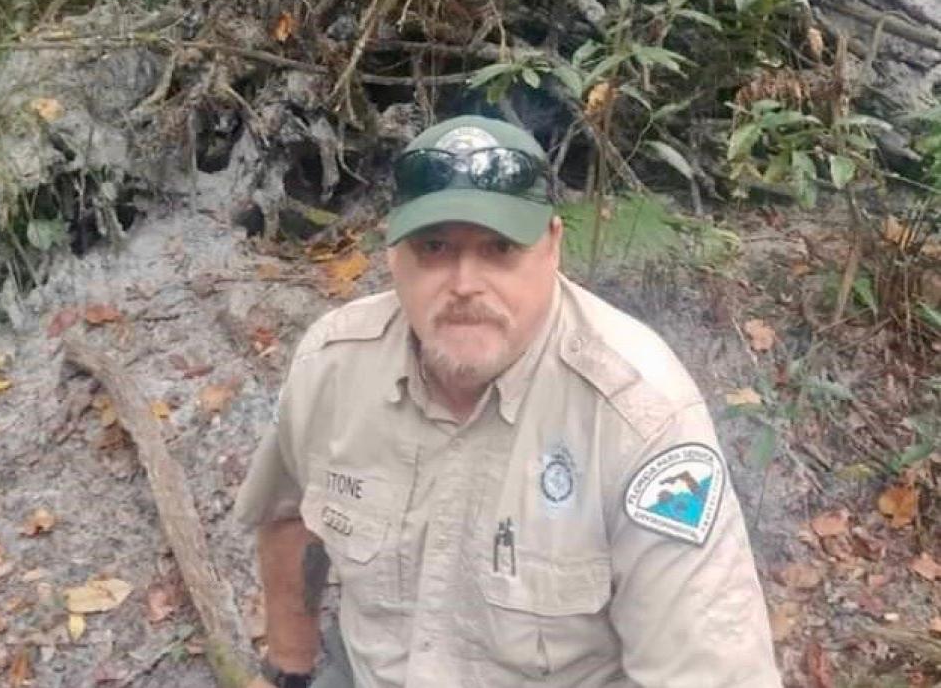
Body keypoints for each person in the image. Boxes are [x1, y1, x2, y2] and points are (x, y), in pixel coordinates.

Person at [235, 115, 782, 688]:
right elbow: (288, 513)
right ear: (393, 255)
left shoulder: (639, 417)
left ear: (551, 247)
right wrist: (289, 670)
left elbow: (708, 673)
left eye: (499, 248)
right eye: (435, 246)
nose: (465, 282)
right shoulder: (333, 365)